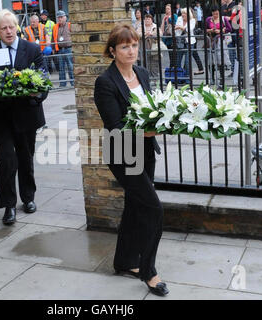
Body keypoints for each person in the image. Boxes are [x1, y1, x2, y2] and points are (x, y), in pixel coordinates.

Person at [94, 24, 168, 297]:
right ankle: (148, 271)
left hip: (146, 150)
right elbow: (115, 126)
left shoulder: (143, 73)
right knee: (153, 209)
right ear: (112, 51)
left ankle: (124, 261)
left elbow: (152, 109)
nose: (131, 50)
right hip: (124, 155)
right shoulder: (105, 82)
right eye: (125, 46)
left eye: (134, 45)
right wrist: (149, 129)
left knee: (136, 206)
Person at [0, 9, 48, 225]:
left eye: (11, 27)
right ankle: (8, 205)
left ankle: (28, 198)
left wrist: (36, 94)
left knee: (25, 158)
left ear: (17, 27)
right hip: (0, 117)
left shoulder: (31, 49)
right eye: (3, 28)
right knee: (6, 159)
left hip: (26, 115)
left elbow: (44, 80)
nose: (8, 31)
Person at [206, 6, 232, 84]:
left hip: (220, 41)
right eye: (214, 14)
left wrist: (221, 30)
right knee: (211, 60)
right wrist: (211, 30)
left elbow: (229, 29)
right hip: (211, 41)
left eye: (217, 14)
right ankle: (212, 78)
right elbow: (204, 29)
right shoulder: (208, 20)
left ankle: (221, 78)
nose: (215, 16)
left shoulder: (223, 19)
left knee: (220, 60)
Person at [175, 8, 204, 75]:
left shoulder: (192, 20)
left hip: (190, 42)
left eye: (184, 13)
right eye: (182, 13)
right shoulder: (179, 19)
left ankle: (187, 77)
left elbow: (189, 29)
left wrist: (180, 27)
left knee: (187, 61)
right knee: (178, 60)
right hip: (180, 41)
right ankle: (179, 76)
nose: (183, 15)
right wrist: (182, 28)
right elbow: (176, 30)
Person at [52, 10, 74, 87]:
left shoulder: (69, 25)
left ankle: (73, 83)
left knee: (70, 67)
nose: (60, 19)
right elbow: (53, 38)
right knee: (61, 68)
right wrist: (53, 49)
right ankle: (62, 84)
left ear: (65, 17)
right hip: (60, 49)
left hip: (68, 49)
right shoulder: (55, 27)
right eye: (58, 17)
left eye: (61, 17)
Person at [161, 3, 178, 68]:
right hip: (167, 38)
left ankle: (173, 67)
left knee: (174, 55)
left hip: (173, 37)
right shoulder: (165, 17)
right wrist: (163, 20)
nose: (167, 10)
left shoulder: (174, 15)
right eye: (166, 9)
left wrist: (168, 20)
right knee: (170, 54)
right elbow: (162, 28)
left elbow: (175, 24)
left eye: (168, 8)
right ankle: (172, 67)